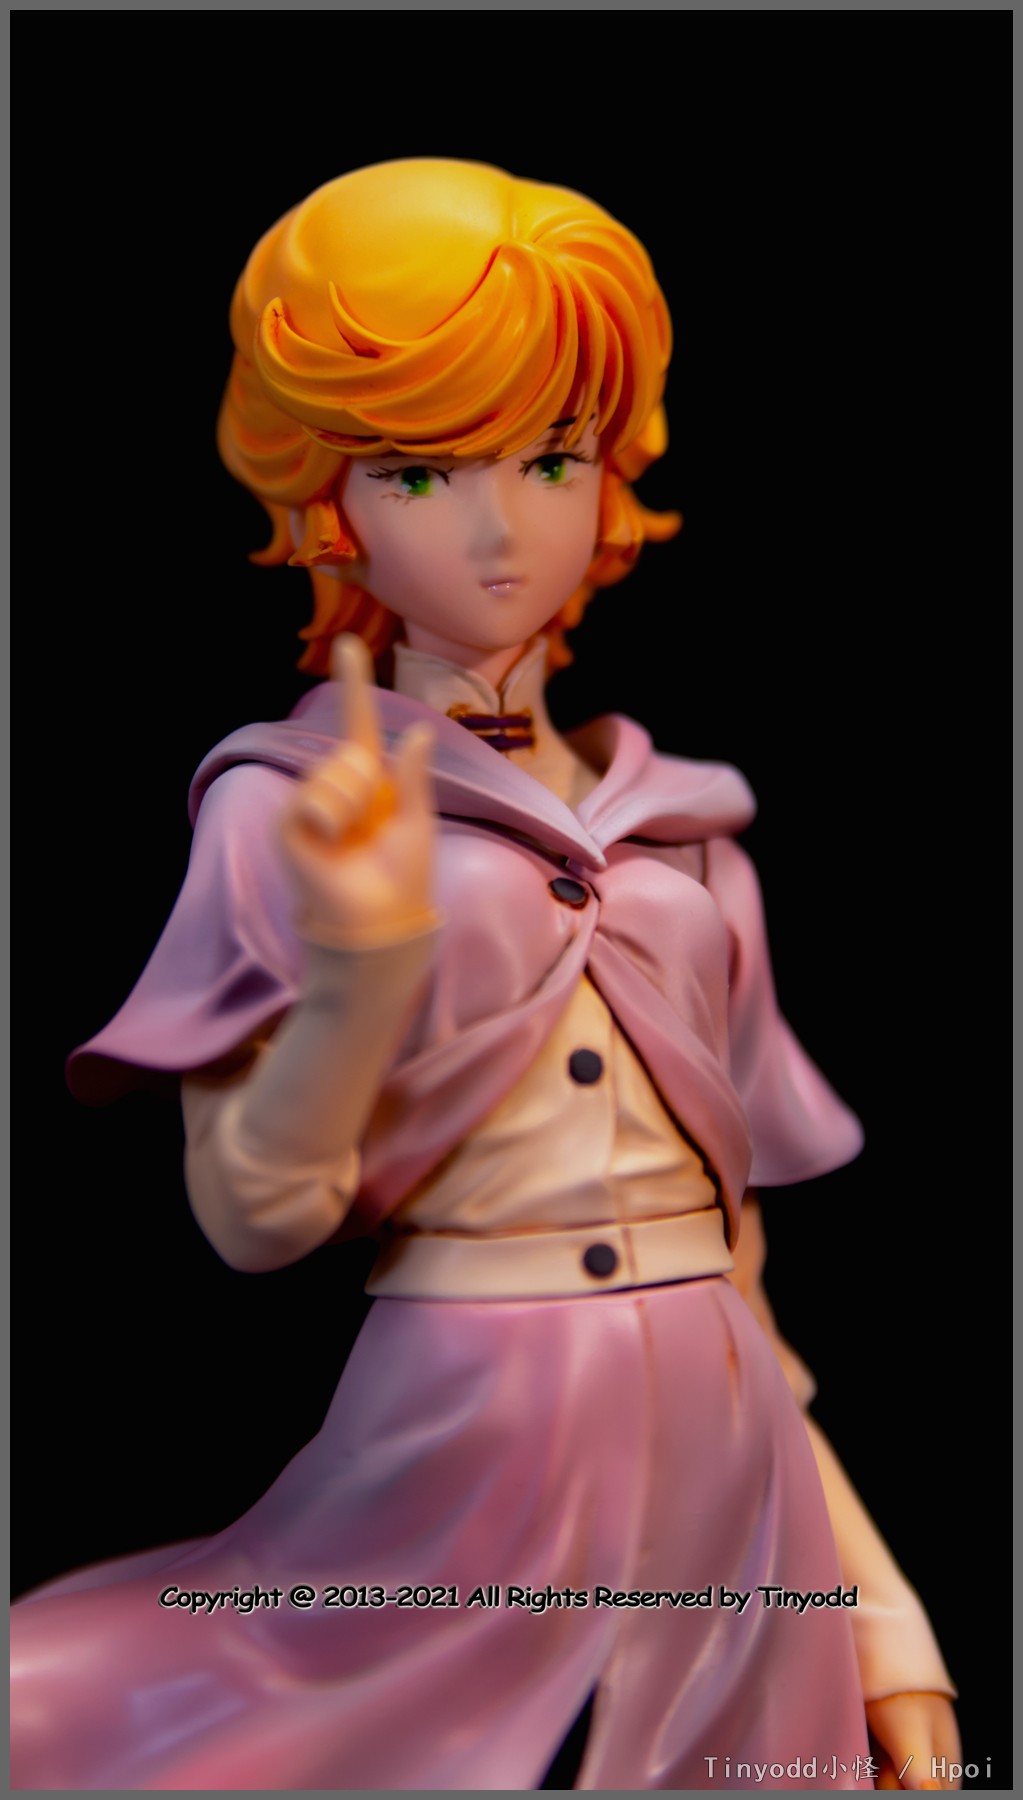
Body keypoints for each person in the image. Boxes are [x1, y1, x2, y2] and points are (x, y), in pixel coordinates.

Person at [12, 159, 958, 1791]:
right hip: (457, 1447)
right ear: (332, 497)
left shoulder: (688, 835)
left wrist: (878, 1611)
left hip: (734, 1473)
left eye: (550, 457)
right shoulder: (289, 807)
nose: (502, 527)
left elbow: (738, 1275)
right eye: (420, 470)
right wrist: (361, 972)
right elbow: (251, 1217)